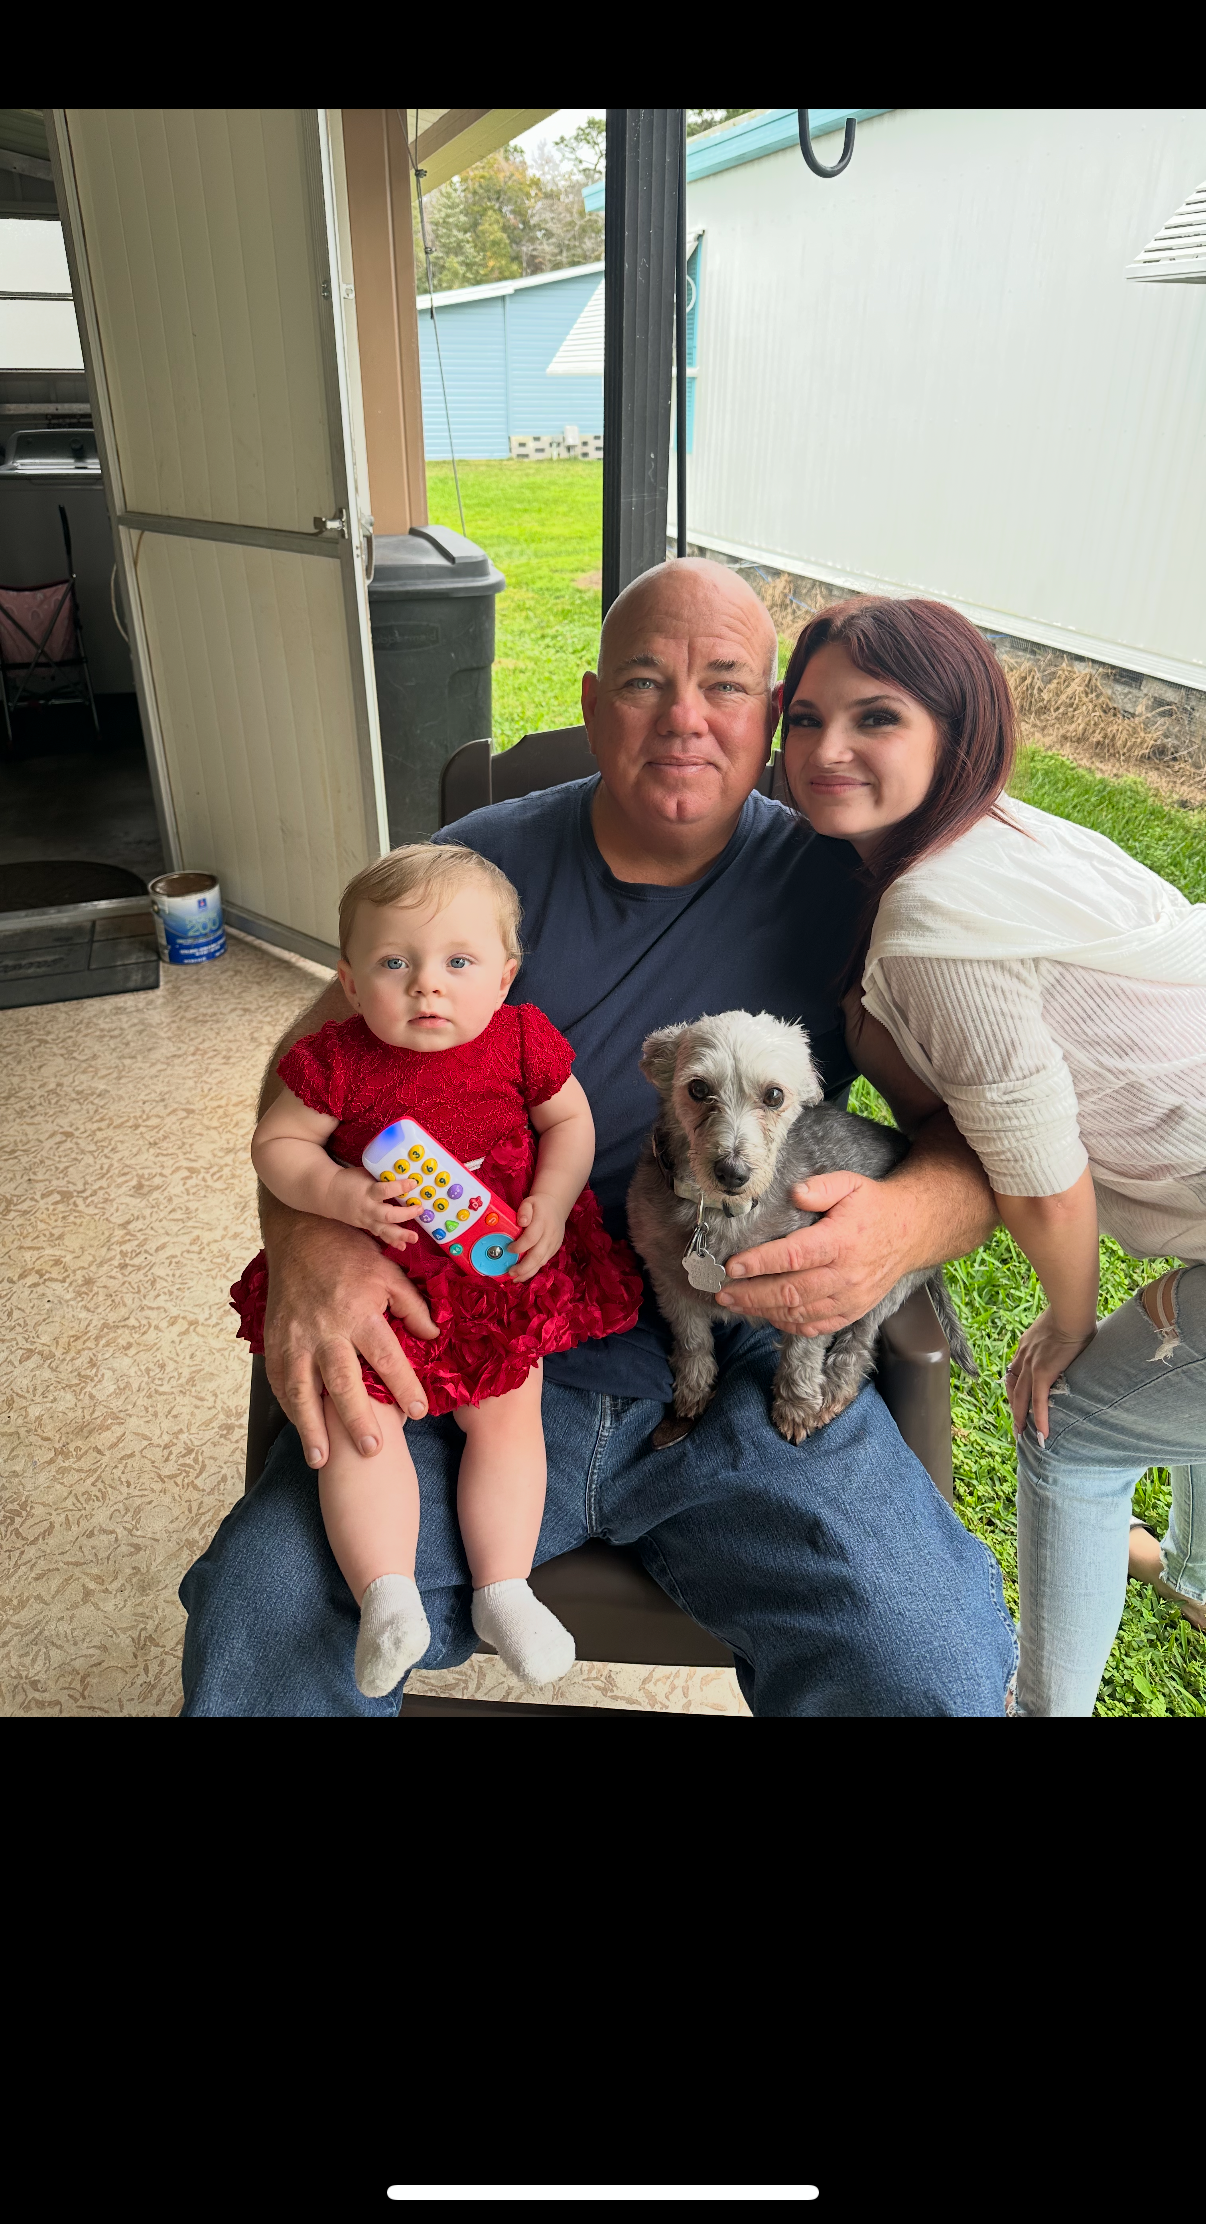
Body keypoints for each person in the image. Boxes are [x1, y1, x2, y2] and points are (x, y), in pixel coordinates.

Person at [179, 558, 1017, 1718]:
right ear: (589, 703)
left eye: (726, 684)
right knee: (269, 1617)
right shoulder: (476, 873)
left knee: (923, 1664)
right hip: (471, 1343)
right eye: (643, 681)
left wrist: (905, 1224)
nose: (684, 718)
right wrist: (313, 1240)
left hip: (748, 1362)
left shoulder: (849, 890)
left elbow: (979, 1142)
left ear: (772, 716)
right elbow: (304, 1076)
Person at [779, 593, 1206, 1718]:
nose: (826, 749)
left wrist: (1067, 1324)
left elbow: (1043, 1181)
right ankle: (1200, 1573)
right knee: (1174, 1375)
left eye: (875, 717)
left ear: (955, 732)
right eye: (805, 716)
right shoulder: (1006, 833)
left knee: (1074, 1429)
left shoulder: (932, 924)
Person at [243, 842, 643, 1698]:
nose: (428, 985)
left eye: (458, 963)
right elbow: (276, 1146)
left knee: (509, 1418)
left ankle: (505, 1590)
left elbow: (569, 1124)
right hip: (378, 1276)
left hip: (491, 1272)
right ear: (351, 983)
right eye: (395, 963)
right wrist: (341, 1195)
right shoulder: (336, 1061)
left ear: (503, 978)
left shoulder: (521, 1040)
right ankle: (386, 1597)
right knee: (363, 1423)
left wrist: (551, 1198)